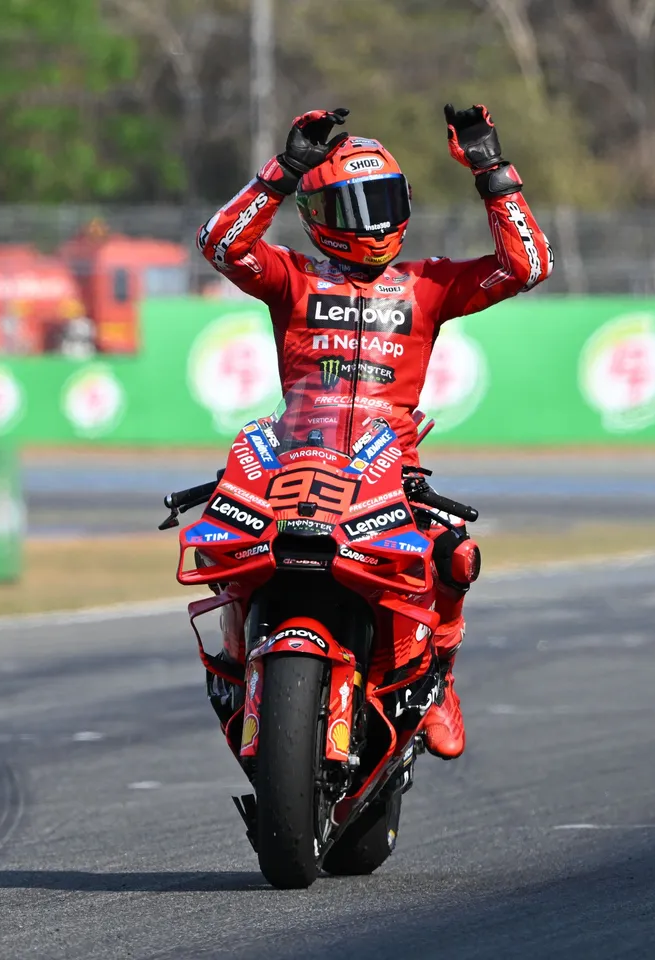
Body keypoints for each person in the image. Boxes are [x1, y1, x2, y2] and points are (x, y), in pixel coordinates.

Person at [196, 105, 553, 760]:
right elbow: (220, 245)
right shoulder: (291, 278)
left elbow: (526, 266)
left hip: (393, 473)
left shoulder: (428, 285)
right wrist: (282, 171)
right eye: (351, 208)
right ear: (317, 218)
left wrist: (491, 169)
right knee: (227, 548)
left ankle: (437, 677)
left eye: (383, 200)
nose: (372, 223)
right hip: (296, 465)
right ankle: (234, 659)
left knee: (452, 557)